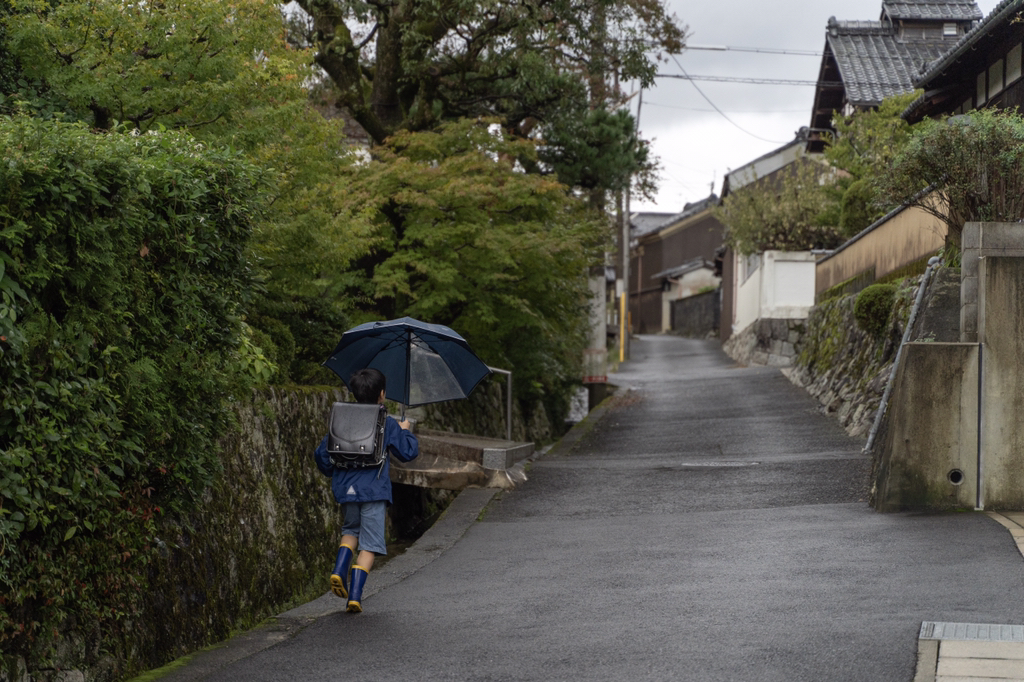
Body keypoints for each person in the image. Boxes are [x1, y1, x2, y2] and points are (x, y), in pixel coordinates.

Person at [313, 368, 419, 613]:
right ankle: (355, 597)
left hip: (345, 489)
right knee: (369, 545)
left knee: (350, 530)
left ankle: (339, 569)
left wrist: (332, 472)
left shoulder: (342, 418)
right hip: (373, 491)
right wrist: (404, 430)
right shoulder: (386, 422)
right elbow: (408, 452)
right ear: (382, 394)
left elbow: (322, 454)